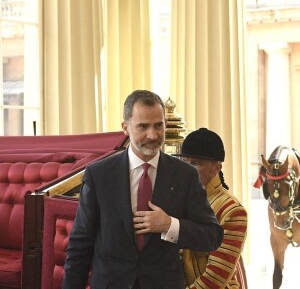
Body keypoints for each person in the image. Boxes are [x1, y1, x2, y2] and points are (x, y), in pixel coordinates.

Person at [62, 90, 223, 289]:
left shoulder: (186, 175)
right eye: (143, 127)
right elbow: (80, 245)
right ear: (125, 128)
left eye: (158, 126)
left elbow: (212, 236)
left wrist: (169, 225)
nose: (152, 135)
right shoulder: (99, 175)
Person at [174, 128, 248, 289]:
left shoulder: (232, 210)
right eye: (184, 162)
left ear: (217, 168)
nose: (187, 169)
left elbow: (216, 278)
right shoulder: (176, 201)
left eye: (195, 163)